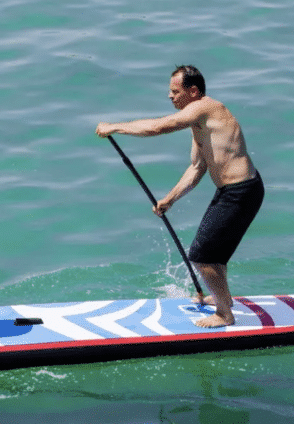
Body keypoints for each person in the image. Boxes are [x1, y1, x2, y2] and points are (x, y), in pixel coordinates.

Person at [95, 65, 264, 328]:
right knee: (213, 254)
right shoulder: (200, 124)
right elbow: (197, 167)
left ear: (193, 92)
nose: (170, 96)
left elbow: (159, 127)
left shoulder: (204, 107)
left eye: (175, 91)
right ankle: (224, 299)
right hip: (233, 192)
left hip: (241, 192)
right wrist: (170, 199)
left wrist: (115, 127)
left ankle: (224, 314)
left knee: (201, 255)